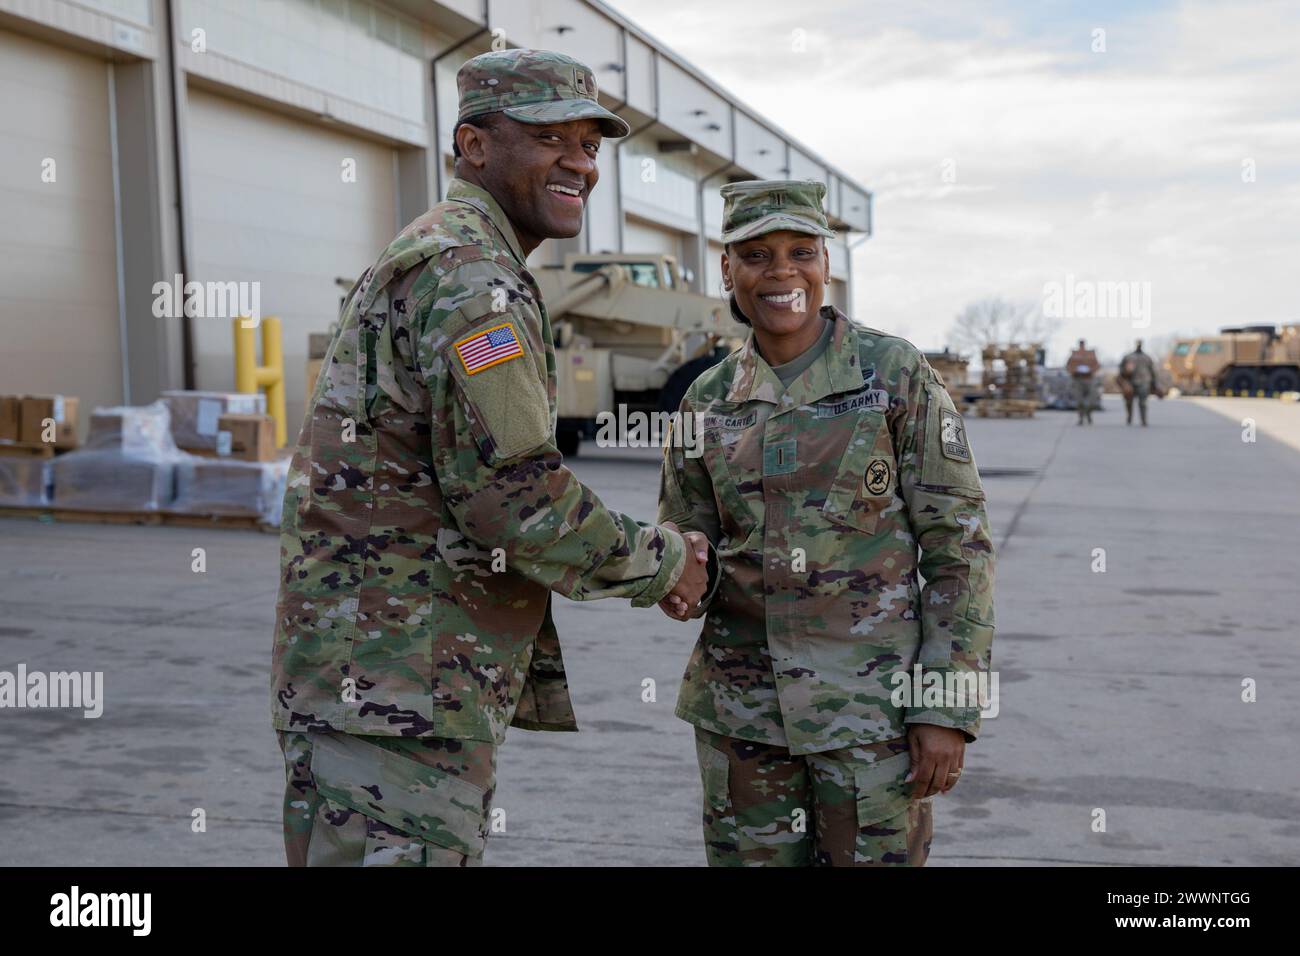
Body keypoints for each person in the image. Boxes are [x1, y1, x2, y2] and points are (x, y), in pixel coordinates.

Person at [270, 48, 712, 867]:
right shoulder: (474, 278)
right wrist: (663, 561)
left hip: (375, 679)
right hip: (400, 692)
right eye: (552, 137)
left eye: (591, 143)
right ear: (475, 146)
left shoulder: (449, 255)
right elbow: (515, 500)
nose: (580, 161)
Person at [657, 180, 996, 866]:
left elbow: (960, 549)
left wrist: (946, 707)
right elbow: (688, 542)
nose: (781, 272)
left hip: (872, 719)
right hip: (742, 716)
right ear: (727, 269)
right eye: (756, 255)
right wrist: (667, 573)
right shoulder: (708, 399)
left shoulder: (893, 375)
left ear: (825, 263)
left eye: (800, 252)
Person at [1118, 339, 1161, 426]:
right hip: (1130, 382)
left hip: (1144, 382)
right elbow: (1121, 370)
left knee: (1143, 402)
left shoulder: (1147, 357)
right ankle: (1129, 417)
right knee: (1129, 401)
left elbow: (1152, 372)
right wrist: (1125, 374)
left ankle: (1143, 419)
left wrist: (1155, 384)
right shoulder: (1128, 357)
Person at [1066, 338, 1099, 425]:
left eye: (1083, 344)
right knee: (1079, 399)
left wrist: (1090, 370)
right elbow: (1068, 366)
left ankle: (1088, 413)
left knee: (1092, 398)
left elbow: (1097, 365)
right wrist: (1074, 371)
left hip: (1089, 379)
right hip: (1077, 379)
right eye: (1080, 344)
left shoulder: (1091, 354)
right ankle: (1081, 417)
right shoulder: (1074, 354)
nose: (1082, 346)